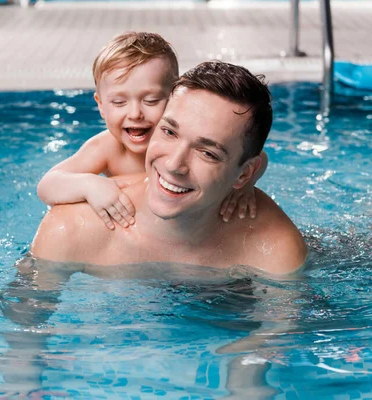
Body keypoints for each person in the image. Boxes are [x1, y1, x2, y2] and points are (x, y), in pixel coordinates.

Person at [33, 60, 306, 276]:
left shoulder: (273, 249)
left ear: (245, 174)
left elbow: (276, 338)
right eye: (169, 132)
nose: (174, 164)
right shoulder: (71, 231)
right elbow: (23, 332)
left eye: (207, 153)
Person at [37, 32, 268, 230]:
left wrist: (244, 186)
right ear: (100, 106)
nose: (135, 113)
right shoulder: (107, 147)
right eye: (119, 103)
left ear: (174, 98)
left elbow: (257, 159)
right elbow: (48, 184)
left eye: (151, 100)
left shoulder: (188, 142)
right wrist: (90, 186)